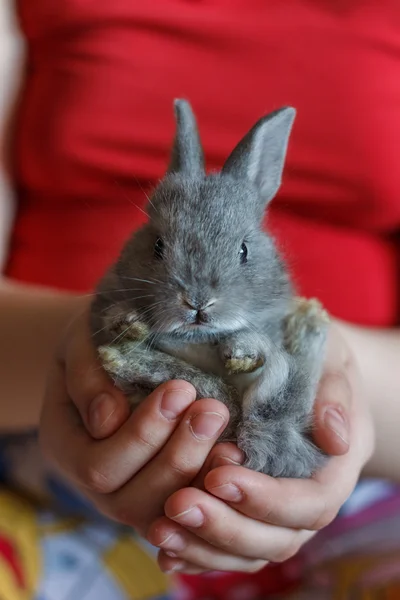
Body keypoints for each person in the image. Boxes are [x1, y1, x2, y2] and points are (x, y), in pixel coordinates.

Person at [1, 0, 399, 597]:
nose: (197, 299)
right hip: (34, 458)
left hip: (364, 480)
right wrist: (78, 351)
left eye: (239, 254)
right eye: (161, 250)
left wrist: (328, 377)